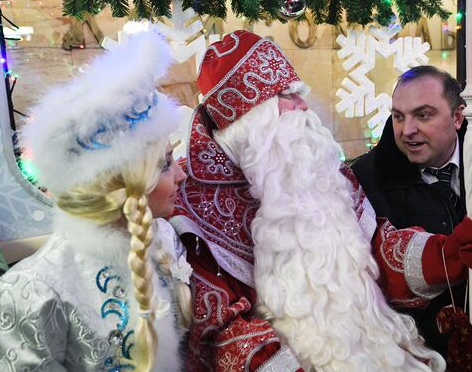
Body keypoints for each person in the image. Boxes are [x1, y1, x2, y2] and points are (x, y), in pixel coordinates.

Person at [169, 30, 445, 371]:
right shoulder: (187, 202)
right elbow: (218, 329)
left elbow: (371, 251)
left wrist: (443, 255)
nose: (304, 105)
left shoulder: (321, 168)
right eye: (288, 95)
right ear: (249, 119)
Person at [0, 31, 193, 371]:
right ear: (123, 184)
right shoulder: (33, 293)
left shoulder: (163, 240)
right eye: (164, 164)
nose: (182, 176)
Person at [351, 65, 472, 368]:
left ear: (458, 117)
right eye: (398, 116)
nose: (407, 130)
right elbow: (372, 290)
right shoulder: (368, 181)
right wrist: (463, 338)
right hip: (433, 356)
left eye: (423, 115)